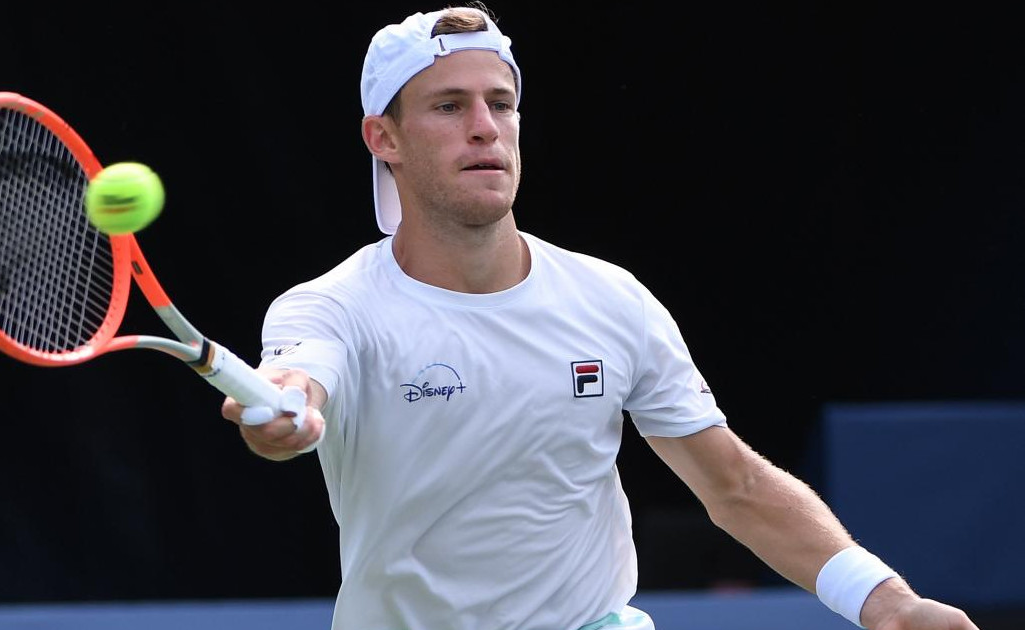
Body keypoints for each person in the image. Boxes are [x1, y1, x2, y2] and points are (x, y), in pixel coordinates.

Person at [220, 4, 982, 629]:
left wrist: (886, 602)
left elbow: (734, 487)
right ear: (381, 138)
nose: (484, 127)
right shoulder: (333, 306)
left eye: (500, 103)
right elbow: (298, 378)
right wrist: (283, 412)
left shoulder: (609, 299)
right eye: (448, 107)